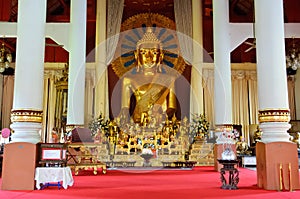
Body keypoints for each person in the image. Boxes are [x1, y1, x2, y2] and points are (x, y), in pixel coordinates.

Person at [120, 27, 177, 125]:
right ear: (137, 55)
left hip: (160, 123)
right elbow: (125, 108)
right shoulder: (128, 80)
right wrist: (124, 117)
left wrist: (161, 115)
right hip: (137, 123)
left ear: (161, 56)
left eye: (154, 52)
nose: (149, 57)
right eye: (143, 52)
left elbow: (172, 107)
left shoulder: (169, 79)